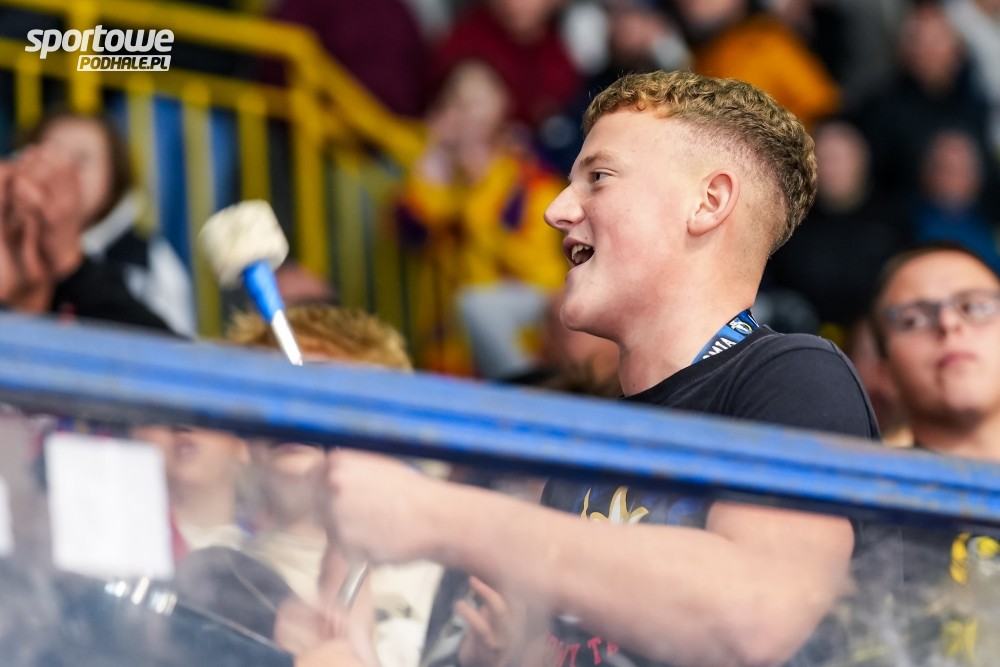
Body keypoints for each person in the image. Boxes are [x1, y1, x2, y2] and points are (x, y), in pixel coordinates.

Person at [323, 70, 879, 667]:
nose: (557, 210)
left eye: (599, 177)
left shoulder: (796, 375)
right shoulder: (592, 450)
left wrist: (439, 516)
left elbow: (753, 615)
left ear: (708, 203)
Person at [868, 242, 1000, 663]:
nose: (948, 324)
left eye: (975, 307)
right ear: (884, 372)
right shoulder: (867, 515)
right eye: (913, 319)